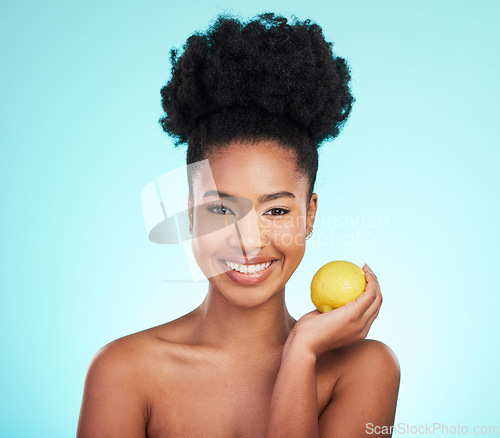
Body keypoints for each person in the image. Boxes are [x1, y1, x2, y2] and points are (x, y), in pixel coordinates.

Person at [77, 12, 400, 438]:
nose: (248, 241)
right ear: (190, 213)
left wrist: (301, 352)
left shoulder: (365, 368)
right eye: (221, 210)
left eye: (277, 211)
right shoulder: (122, 371)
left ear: (311, 215)